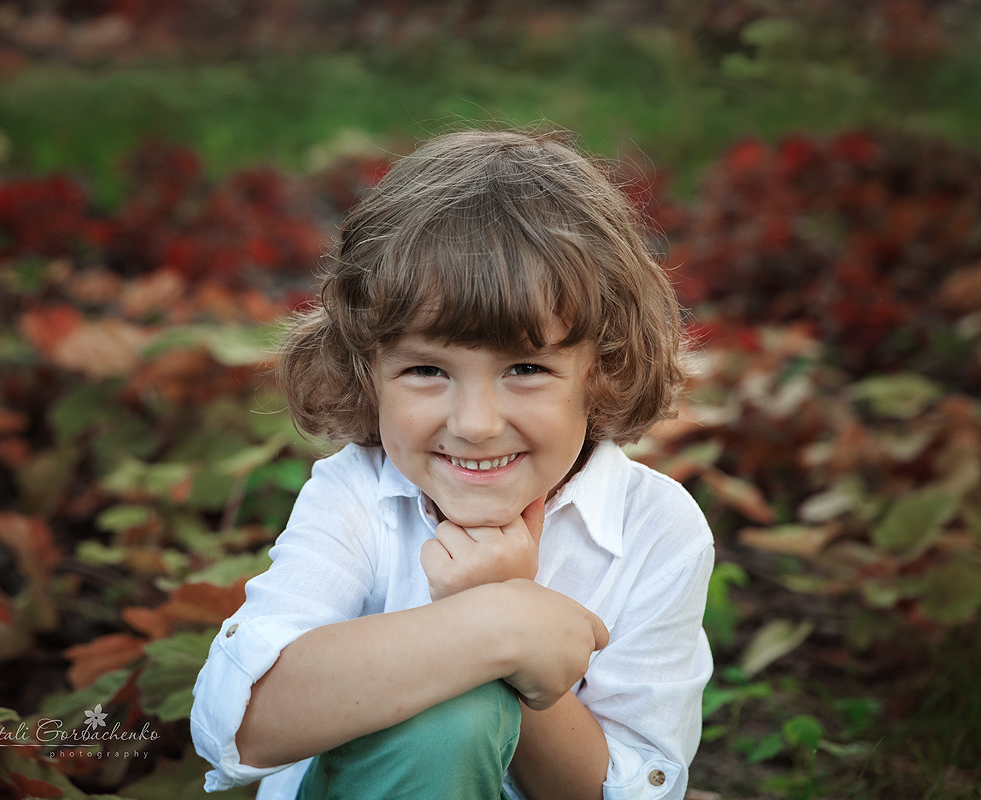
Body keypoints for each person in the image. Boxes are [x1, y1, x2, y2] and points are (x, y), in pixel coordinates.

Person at [190, 129, 714, 800]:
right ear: (367, 367)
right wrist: (496, 626)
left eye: (526, 368)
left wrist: (510, 647)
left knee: (464, 709)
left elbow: (637, 788)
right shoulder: (356, 496)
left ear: (602, 366)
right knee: (448, 719)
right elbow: (237, 722)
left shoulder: (656, 528)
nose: (474, 424)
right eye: (426, 369)